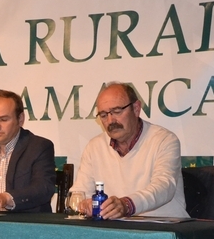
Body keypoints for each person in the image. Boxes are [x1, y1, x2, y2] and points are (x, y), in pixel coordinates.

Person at [72, 82, 188, 219]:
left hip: (162, 226)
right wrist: (84, 204)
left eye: (117, 111)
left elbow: (164, 187)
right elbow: (79, 193)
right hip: (115, 228)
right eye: (103, 115)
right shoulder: (94, 147)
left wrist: (127, 205)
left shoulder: (164, 140)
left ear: (136, 108)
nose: (110, 120)